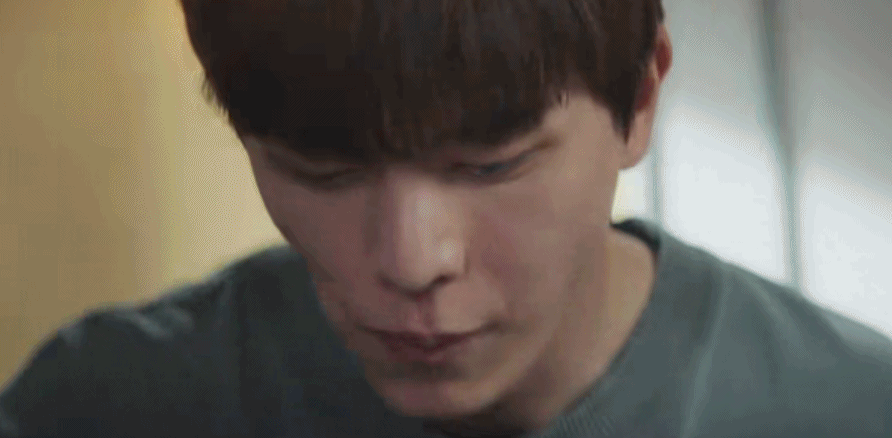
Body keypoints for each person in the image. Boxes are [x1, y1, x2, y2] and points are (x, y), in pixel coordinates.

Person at [2, 0, 891, 436]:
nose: (411, 260)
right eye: (323, 171)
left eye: (491, 165)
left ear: (642, 98)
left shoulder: (852, 413)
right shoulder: (105, 407)